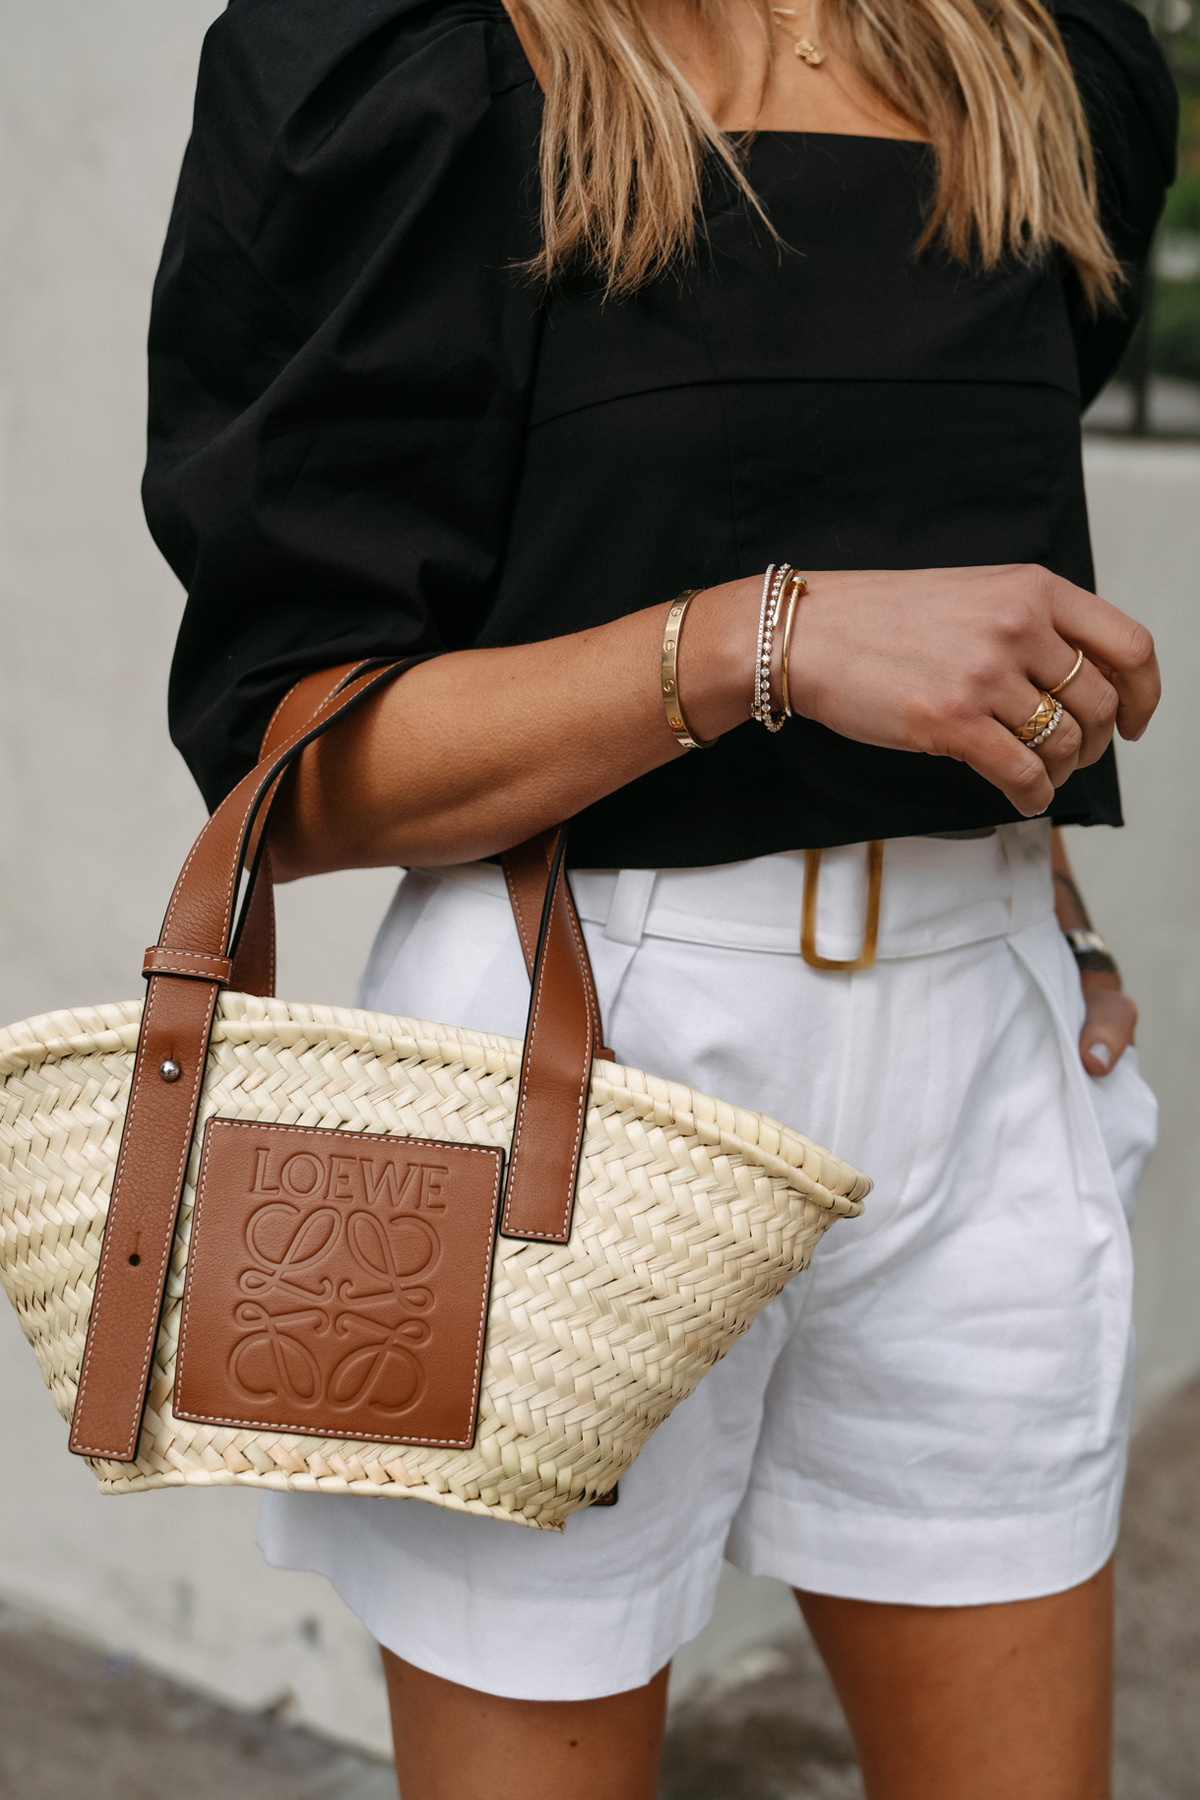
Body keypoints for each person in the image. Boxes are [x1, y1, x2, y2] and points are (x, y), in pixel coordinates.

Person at [144, 0, 1174, 1791]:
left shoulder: (1037, 53)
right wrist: (765, 641)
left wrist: (1041, 886)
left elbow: (972, 556)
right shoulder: (408, 68)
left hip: (980, 1057)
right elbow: (289, 771)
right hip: (573, 1060)